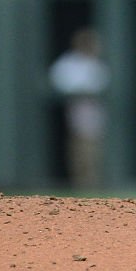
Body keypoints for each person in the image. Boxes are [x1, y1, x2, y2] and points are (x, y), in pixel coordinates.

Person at [48, 28, 110, 188]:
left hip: (95, 111)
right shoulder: (68, 62)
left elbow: (103, 84)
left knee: (94, 150)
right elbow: (57, 80)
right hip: (76, 110)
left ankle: (93, 183)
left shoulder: (98, 64)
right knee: (79, 148)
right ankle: (80, 183)